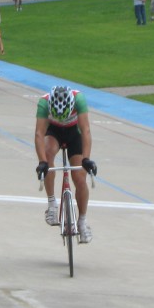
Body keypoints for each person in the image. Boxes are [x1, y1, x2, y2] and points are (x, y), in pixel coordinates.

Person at [34, 86, 98, 244]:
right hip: (54, 132)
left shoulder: (79, 100)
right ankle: (52, 204)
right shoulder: (44, 103)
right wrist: (42, 162)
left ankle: (82, 221)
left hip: (73, 133)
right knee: (48, 155)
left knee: (79, 177)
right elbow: (39, 134)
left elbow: (85, 131)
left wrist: (86, 159)